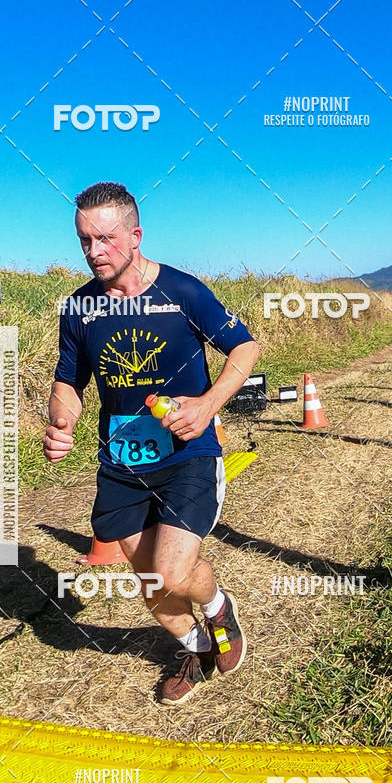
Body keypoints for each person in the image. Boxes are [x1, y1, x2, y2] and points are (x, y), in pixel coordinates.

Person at [43, 181, 260, 706]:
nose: (94, 252)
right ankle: (193, 646)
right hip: (123, 460)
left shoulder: (182, 292)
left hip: (188, 452)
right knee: (151, 585)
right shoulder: (79, 307)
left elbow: (245, 347)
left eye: (106, 239)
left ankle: (218, 611)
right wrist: (62, 420)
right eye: (84, 242)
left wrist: (208, 404)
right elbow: (69, 380)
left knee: (171, 570)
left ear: (135, 235)